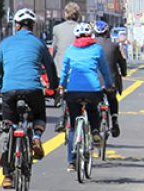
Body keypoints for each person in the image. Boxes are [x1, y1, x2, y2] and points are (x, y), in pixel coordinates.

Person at [0, 8, 59, 189]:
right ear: (32, 26)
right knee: (39, 115)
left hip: (10, 90)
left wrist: (0, 88)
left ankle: (7, 176)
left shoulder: (6, 43)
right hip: (33, 89)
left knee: (8, 127)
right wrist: (53, 86)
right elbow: (50, 67)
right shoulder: (39, 44)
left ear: (16, 25)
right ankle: (37, 137)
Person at [59, 22, 113, 172]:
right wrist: (109, 84)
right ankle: (95, 131)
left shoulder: (70, 50)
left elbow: (64, 72)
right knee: (93, 110)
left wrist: (62, 86)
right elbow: (104, 70)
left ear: (76, 36)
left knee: (73, 126)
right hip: (92, 90)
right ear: (90, 35)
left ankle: (71, 162)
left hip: (73, 90)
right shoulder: (97, 49)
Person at [52, 2, 81, 134]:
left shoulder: (57, 29)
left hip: (61, 67)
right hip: (78, 68)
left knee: (63, 89)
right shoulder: (81, 28)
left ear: (65, 14)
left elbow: (55, 48)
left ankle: (62, 114)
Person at [94, 20, 126, 137]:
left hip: (94, 82)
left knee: (93, 104)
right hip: (111, 81)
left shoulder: (91, 45)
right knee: (112, 99)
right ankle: (114, 121)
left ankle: (95, 128)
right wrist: (124, 72)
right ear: (107, 32)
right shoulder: (114, 46)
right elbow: (121, 62)